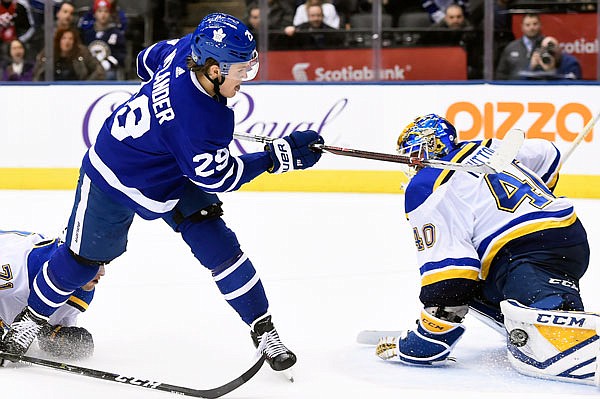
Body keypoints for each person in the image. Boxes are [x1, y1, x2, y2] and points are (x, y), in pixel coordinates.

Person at [0, 13, 324, 374]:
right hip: (114, 173)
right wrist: (279, 157)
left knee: (216, 241)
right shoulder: (202, 120)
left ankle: (263, 330)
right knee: (82, 262)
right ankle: (30, 321)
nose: (244, 78)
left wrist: (162, 111)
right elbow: (221, 177)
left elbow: (145, 61)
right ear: (214, 70)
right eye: (239, 70)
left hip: (169, 167)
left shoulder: (185, 50)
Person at [374, 114, 593, 384]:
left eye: (413, 152)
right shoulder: (491, 147)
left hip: (520, 250)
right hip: (569, 236)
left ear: (430, 145)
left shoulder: (426, 185)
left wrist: (432, 337)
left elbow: (451, 275)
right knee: (497, 279)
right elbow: (548, 154)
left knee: (477, 277)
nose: (412, 162)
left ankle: (557, 322)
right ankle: (531, 315)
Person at [0, 230, 102, 360]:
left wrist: (57, 336)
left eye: (101, 263)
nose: (102, 272)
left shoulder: (82, 291)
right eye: (91, 263)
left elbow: (47, 331)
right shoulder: (15, 265)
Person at [33, 26, 105, 81]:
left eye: (70, 39)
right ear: (59, 40)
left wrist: (85, 85)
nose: (67, 42)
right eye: (64, 38)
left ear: (74, 42)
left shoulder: (82, 52)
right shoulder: (48, 52)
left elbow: (99, 71)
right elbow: (37, 73)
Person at [80, 0, 126, 80]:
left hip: (109, 70)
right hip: (90, 69)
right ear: (94, 14)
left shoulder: (116, 34)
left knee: (109, 75)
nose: (103, 14)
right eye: (100, 11)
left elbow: (121, 55)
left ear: (110, 14)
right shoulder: (88, 34)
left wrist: (109, 63)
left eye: (106, 11)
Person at [495, 13, 543, 80]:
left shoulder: (547, 45)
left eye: (535, 24)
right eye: (527, 25)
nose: (531, 27)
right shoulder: (511, 47)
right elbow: (500, 75)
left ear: (540, 25)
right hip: (515, 89)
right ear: (522, 27)